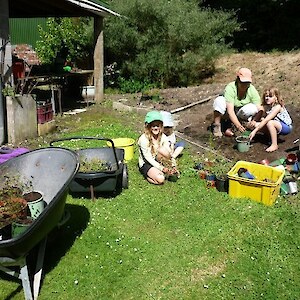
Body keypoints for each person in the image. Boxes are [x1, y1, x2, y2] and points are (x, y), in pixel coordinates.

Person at [212, 67, 261, 137]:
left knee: (252, 108)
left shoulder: (252, 89)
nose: (245, 85)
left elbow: (260, 108)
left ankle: (240, 124)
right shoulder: (230, 88)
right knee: (219, 101)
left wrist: (255, 120)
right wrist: (238, 126)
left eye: (247, 83)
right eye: (243, 82)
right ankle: (217, 125)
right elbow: (230, 111)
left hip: (239, 112)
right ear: (238, 80)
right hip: (227, 112)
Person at [138, 111, 177, 184]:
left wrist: (173, 165)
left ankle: (161, 171)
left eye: (157, 126)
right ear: (148, 127)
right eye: (153, 126)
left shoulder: (163, 137)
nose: (155, 128)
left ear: (161, 126)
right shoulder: (143, 139)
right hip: (146, 163)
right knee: (161, 179)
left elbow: (168, 152)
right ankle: (148, 176)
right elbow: (148, 158)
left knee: (163, 150)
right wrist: (161, 168)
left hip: (157, 159)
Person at [249, 87, 292, 152]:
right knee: (257, 124)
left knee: (269, 122)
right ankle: (270, 136)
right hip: (276, 124)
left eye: (270, 96)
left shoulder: (277, 107)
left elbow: (267, 120)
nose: (267, 98)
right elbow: (262, 117)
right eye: (266, 96)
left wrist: (255, 131)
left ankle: (274, 144)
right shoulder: (267, 107)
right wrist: (254, 121)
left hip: (286, 127)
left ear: (276, 98)